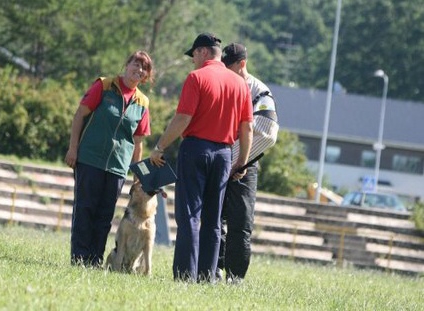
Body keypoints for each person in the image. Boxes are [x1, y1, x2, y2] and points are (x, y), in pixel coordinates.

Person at [149, 33, 253, 283]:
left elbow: (183, 118)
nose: (192, 60)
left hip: (195, 149)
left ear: (203, 52)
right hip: (224, 155)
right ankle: (207, 276)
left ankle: (185, 275)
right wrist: (242, 162)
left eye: (193, 54)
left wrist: (160, 146)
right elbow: (247, 127)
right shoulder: (240, 83)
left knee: (189, 215)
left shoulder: (196, 77)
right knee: (213, 219)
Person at [65, 50, 154, 267]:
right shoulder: (104, 86)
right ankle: (79, 259)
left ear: (146, 76)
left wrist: (137, 175)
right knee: (85, 210)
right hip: (90, 159)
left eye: (144, 68)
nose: (138, 70)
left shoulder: (143, 102)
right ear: (127, 64)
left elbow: (138, 142)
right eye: (136, 64)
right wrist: (73, 149)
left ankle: (94, 260)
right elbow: (80, 115)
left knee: (104, 216)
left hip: (117, 167)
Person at [217, 43, 279, 283]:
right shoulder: (220, 84)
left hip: (245, 164)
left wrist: (236, 161)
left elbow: (267, 131)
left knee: (240, 223)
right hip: (219, 160)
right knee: (214, 220)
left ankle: (235, 277)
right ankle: (214, 269)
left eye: (229, 66)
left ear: (242, 64)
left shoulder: (260, 92)